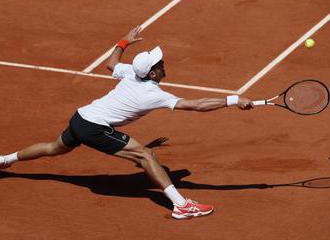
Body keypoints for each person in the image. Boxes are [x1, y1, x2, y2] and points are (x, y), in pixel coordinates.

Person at [0, 26, 253, 219]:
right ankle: (181, 205)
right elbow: (196, 105)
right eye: (159, 63)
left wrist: (123, 42)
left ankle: (5, 159)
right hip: (94, 127)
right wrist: (233, 99)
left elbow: (110, 64)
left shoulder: (132, 73)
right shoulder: (153, 93)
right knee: (146, 155)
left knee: (54, 148)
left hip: (81, 118)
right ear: (152, 73)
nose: (164, 64)